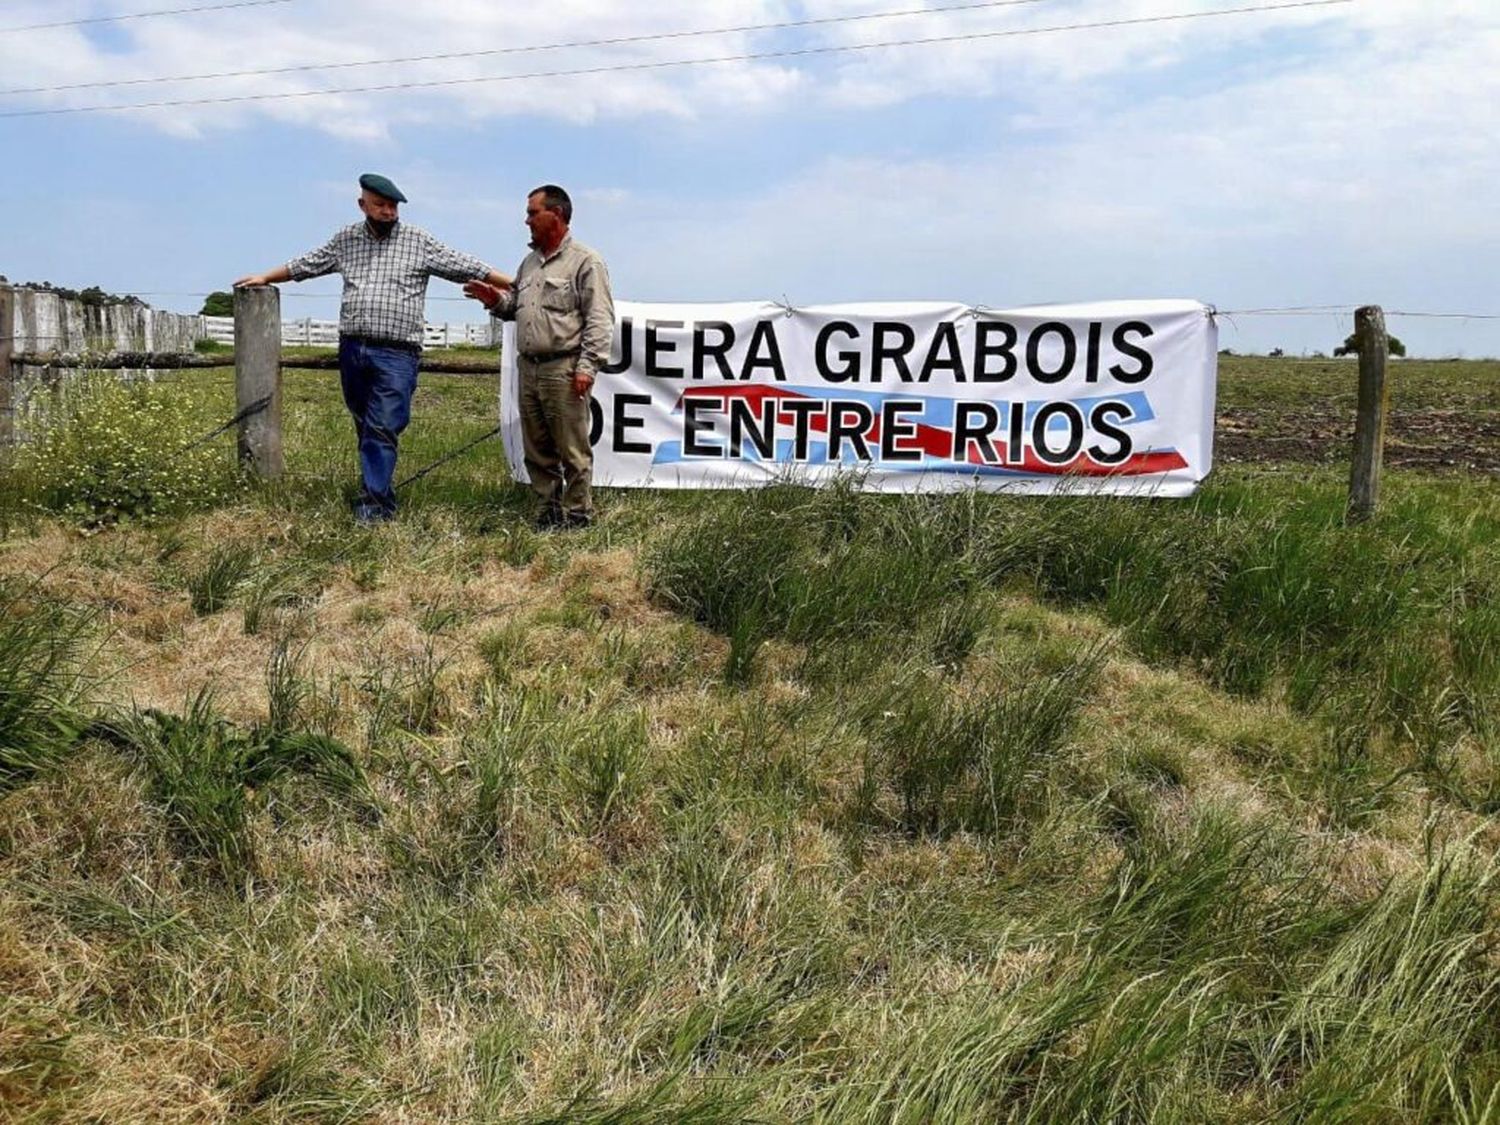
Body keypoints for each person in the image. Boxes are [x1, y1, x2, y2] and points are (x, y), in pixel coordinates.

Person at [234, 173, 512, 522]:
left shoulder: (418, 241)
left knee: (382, 426)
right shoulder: (346, 240)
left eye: (392, 205)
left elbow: (469, 266)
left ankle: (374, 508)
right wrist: (265, 278)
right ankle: (375, 488)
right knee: (365, 423)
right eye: (380, 204)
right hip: (353, 348)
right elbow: (306, 264)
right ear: (362, 204)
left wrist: (518, 283)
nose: (388, 211)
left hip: (397, 351)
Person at [463, 184, 614, 529]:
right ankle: (547, 513)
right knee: (537, 450)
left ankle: (577, 516)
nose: (526, 220)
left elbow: (600, 318)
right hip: (528, 368)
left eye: (533, 213)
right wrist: (493, 300)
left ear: (556, 215)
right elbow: (514, 307)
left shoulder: (586, 261)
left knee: (573, 449)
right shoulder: (529, 263)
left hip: (564, 367)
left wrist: (587, 367)